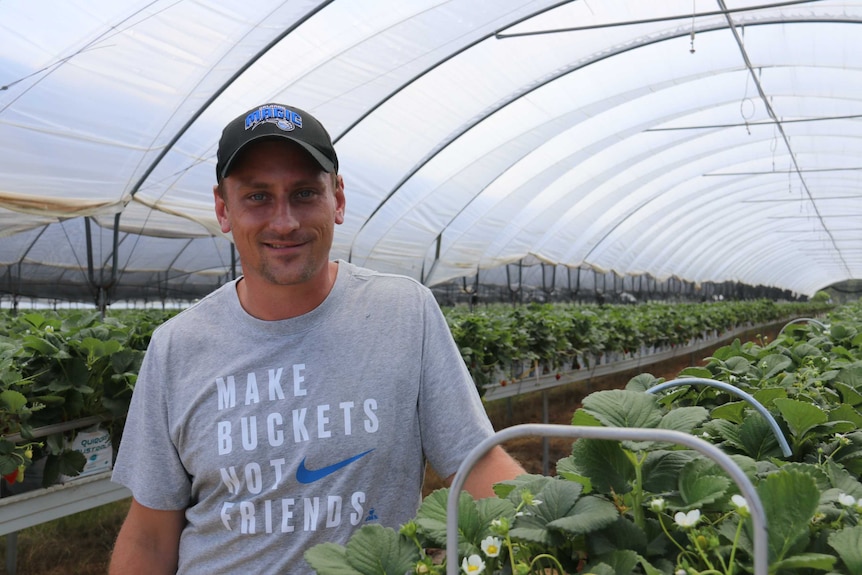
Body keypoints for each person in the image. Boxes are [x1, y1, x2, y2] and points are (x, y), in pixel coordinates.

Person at [109, 103, 525, 574]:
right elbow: (149, 535)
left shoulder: (404, 313)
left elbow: (477, 465)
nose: (284, 222)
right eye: (257, 197)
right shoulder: (176, 347)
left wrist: (557, 527)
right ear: (224, 209)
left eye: (305, 193)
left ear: (338, 199)